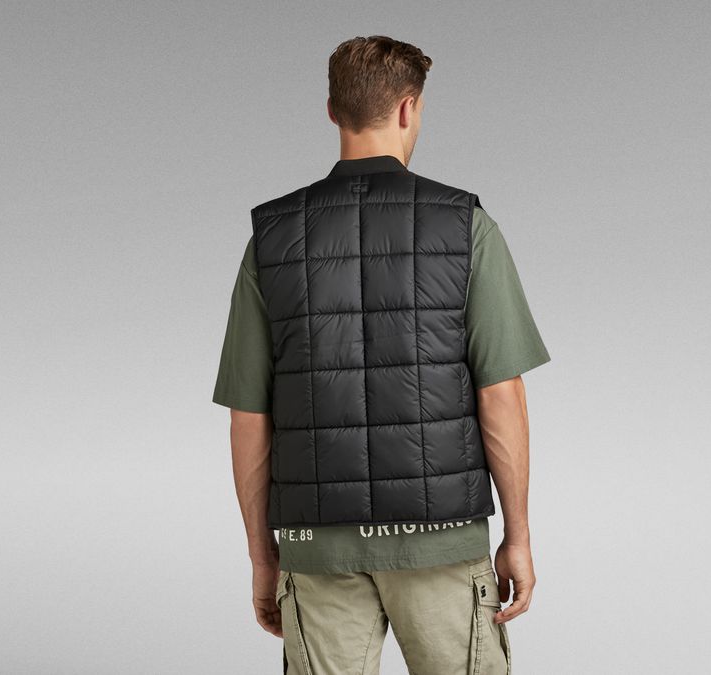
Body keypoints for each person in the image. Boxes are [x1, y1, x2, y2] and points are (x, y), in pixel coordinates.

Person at [212, 35, 549, 674]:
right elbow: (501, 394)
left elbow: (248, 416)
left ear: (332, 111)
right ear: (407, 108)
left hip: (316, 548)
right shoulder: (465, 225)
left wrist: (262, 554)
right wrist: (519, 535)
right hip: (442, 542)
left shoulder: (271, 238)